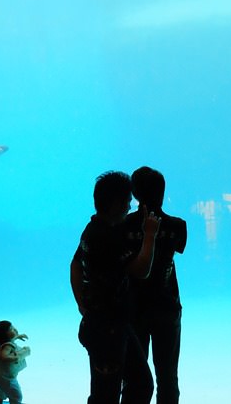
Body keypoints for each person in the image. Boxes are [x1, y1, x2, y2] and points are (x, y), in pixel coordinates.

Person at [70, 171, 160, 404]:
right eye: (127, 201)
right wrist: (150, 234)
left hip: (108, 323)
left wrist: (82, 304)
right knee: (107, 393)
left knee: (138, 383)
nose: (130, 206)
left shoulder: (92, 229)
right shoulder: (106, 237)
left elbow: (75, 265)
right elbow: (142, 270)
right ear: (115, 203)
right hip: (106, 329)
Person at [125, 166, 187, 404]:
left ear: (135, 194)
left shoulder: (125, 227)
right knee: (168, 377)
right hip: (167, 308)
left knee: (132, 379)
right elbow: (176, 249)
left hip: (133, 309)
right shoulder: (177, 226)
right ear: (163, 192)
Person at [0, 320, 30, 404]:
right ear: (4, 335)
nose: (15, 329)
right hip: (5, 375)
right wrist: (15, 357)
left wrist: (17, 336)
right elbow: (4, 356)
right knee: (17, 395)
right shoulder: (8, 345)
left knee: (1, 389)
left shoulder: (4, 343)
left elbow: (10, 339)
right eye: (12, 329)